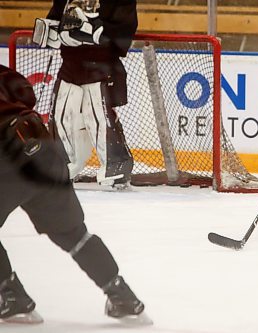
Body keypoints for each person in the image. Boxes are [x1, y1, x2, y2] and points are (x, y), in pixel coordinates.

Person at [0, 65, 151, 324]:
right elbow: (24, 91)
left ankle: (13, 300)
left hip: (9, 150)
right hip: (40, 140)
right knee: (73, 233)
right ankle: (122, 297)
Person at [34, 0, 137, 189]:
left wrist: (95, 33)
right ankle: (62, 164)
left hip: (100, 66)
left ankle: (117, 166)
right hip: (70, 65)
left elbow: (124, 31)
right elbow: (55, 19)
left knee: (97, 115)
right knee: (61, 116)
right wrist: (53, 32)